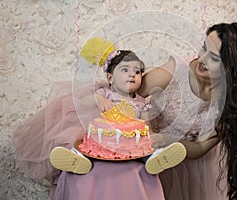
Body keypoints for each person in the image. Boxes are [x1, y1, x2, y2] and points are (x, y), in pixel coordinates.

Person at [135, 22, 237, 200]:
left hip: (184, 164)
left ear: (232, 67)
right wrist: (146, 126)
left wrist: (171, 141)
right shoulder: (177, 70)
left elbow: (201, 147)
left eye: (214, 58)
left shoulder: (231, 101)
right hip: (143, 150)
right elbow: (132, 94)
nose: (202, 58)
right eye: (204, 48)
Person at [49, 44, 187, 176]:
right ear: (110, 77)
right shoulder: (104, 94)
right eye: (125, 70)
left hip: (131, 147)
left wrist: (151, 137)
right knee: (83, 143)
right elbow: (82, 104)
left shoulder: (140, 102)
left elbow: (146, 126)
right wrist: (97, 99)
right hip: (101, 143)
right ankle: (76, 159)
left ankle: (155, 159)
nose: (132, 74)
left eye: (137, 71)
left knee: (148, 147)